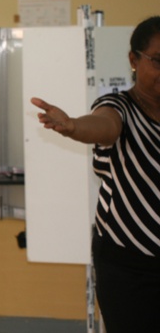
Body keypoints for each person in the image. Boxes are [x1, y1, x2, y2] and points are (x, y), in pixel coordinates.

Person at [31, 16, 160, 333]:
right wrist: (74, 126)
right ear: (133, 59)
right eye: (158, 61)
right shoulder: (119, 106)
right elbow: (103, 125)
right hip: (131, 264)